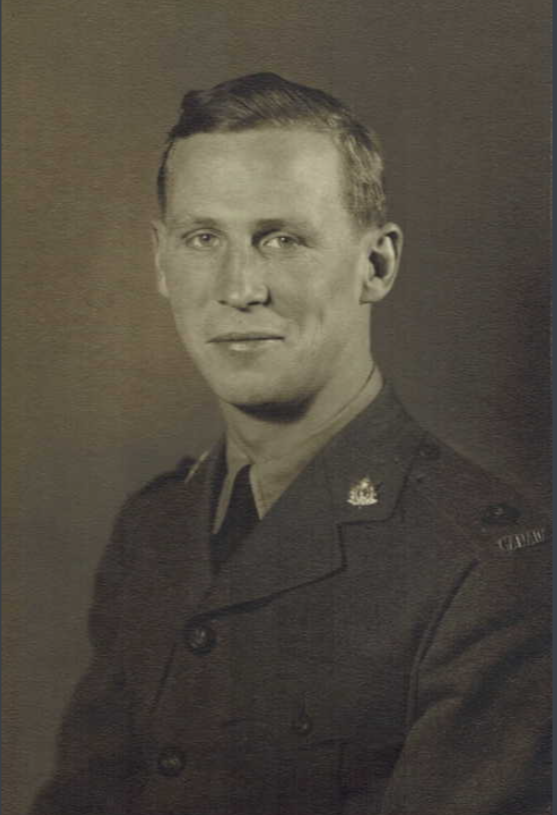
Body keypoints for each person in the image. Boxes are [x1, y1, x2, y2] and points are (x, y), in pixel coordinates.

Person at [31, 73, 551, 815]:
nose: (240, 287)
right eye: (203, 238)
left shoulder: (489, 569)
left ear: (376, 265)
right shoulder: (154, 529)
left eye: (282, 239)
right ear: (160, 261)